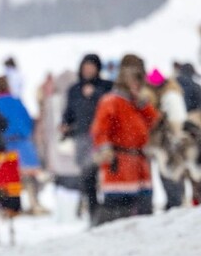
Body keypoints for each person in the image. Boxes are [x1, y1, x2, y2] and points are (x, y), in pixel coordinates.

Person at [91, 54, 159, 224]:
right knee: (117, 220)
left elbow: (155, 124)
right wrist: (105, 149)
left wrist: (144, 105)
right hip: (119, 166)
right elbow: (100, 129)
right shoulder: (111, 101)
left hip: (140, 166)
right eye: (133, 78)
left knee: (144, 219)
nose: (136, 83)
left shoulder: (140, 103)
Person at [61, 54, 113, 225]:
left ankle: (109, 212)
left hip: (104, 138)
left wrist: (96, 94)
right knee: (87, 177)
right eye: (85, 67)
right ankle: (94, 214)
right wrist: (65, 125)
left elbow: (112, 109)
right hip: (82, 138)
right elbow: (68, 113)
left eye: (91, 67)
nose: (88, 70)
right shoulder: (74, 89)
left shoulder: (106, 87)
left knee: (106, 176)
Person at [0, 76, 41, 211]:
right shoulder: (17, 101)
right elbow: (28, 121)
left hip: (6, 144)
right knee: (29, 176)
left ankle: (13, 205)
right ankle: (34, 203)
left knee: (10, 177)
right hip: (23, 143)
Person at [146, 68, 187, 209]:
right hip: (173, 141)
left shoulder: (169, 96)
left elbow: (176, 121)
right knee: (172, 174)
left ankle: (175, 204)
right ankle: (175, 202)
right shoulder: (172, 93)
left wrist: (175, 139)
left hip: (171, 142)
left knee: (171, 174)